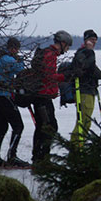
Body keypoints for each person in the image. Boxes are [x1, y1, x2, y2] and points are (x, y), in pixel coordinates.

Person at [31, 30, 73, 163]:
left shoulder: (47, 53)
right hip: (43, 96)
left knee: (42, 126)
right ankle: (42, 157)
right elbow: (48, 76)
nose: (66, 51)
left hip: (41, 95)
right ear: (63, 43)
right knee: (50, 127)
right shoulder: (50, 55)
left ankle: (39, 156)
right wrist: (64, 76)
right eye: (67, 47)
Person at [0, 37, 29, 167]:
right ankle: (12, 156)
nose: (17, 51)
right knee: (18, 126)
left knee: (1, 127)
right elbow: (21, 70)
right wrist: (21, 60)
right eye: (16, 49)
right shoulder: (8, 59)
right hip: (4, 96)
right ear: (12, 48)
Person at [70, 29, 101, 146]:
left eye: (95, 40)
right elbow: (89, 68)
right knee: (83, 121)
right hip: (84, 91)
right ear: (86, 41)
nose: (94, 42)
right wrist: (90, 52)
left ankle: (79, 145)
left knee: (86, 122)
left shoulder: (86, 53)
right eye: (91, 40)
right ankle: (76, 147)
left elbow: (96, 71)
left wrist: (99, 74)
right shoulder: (84, 53)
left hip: (89, 91)